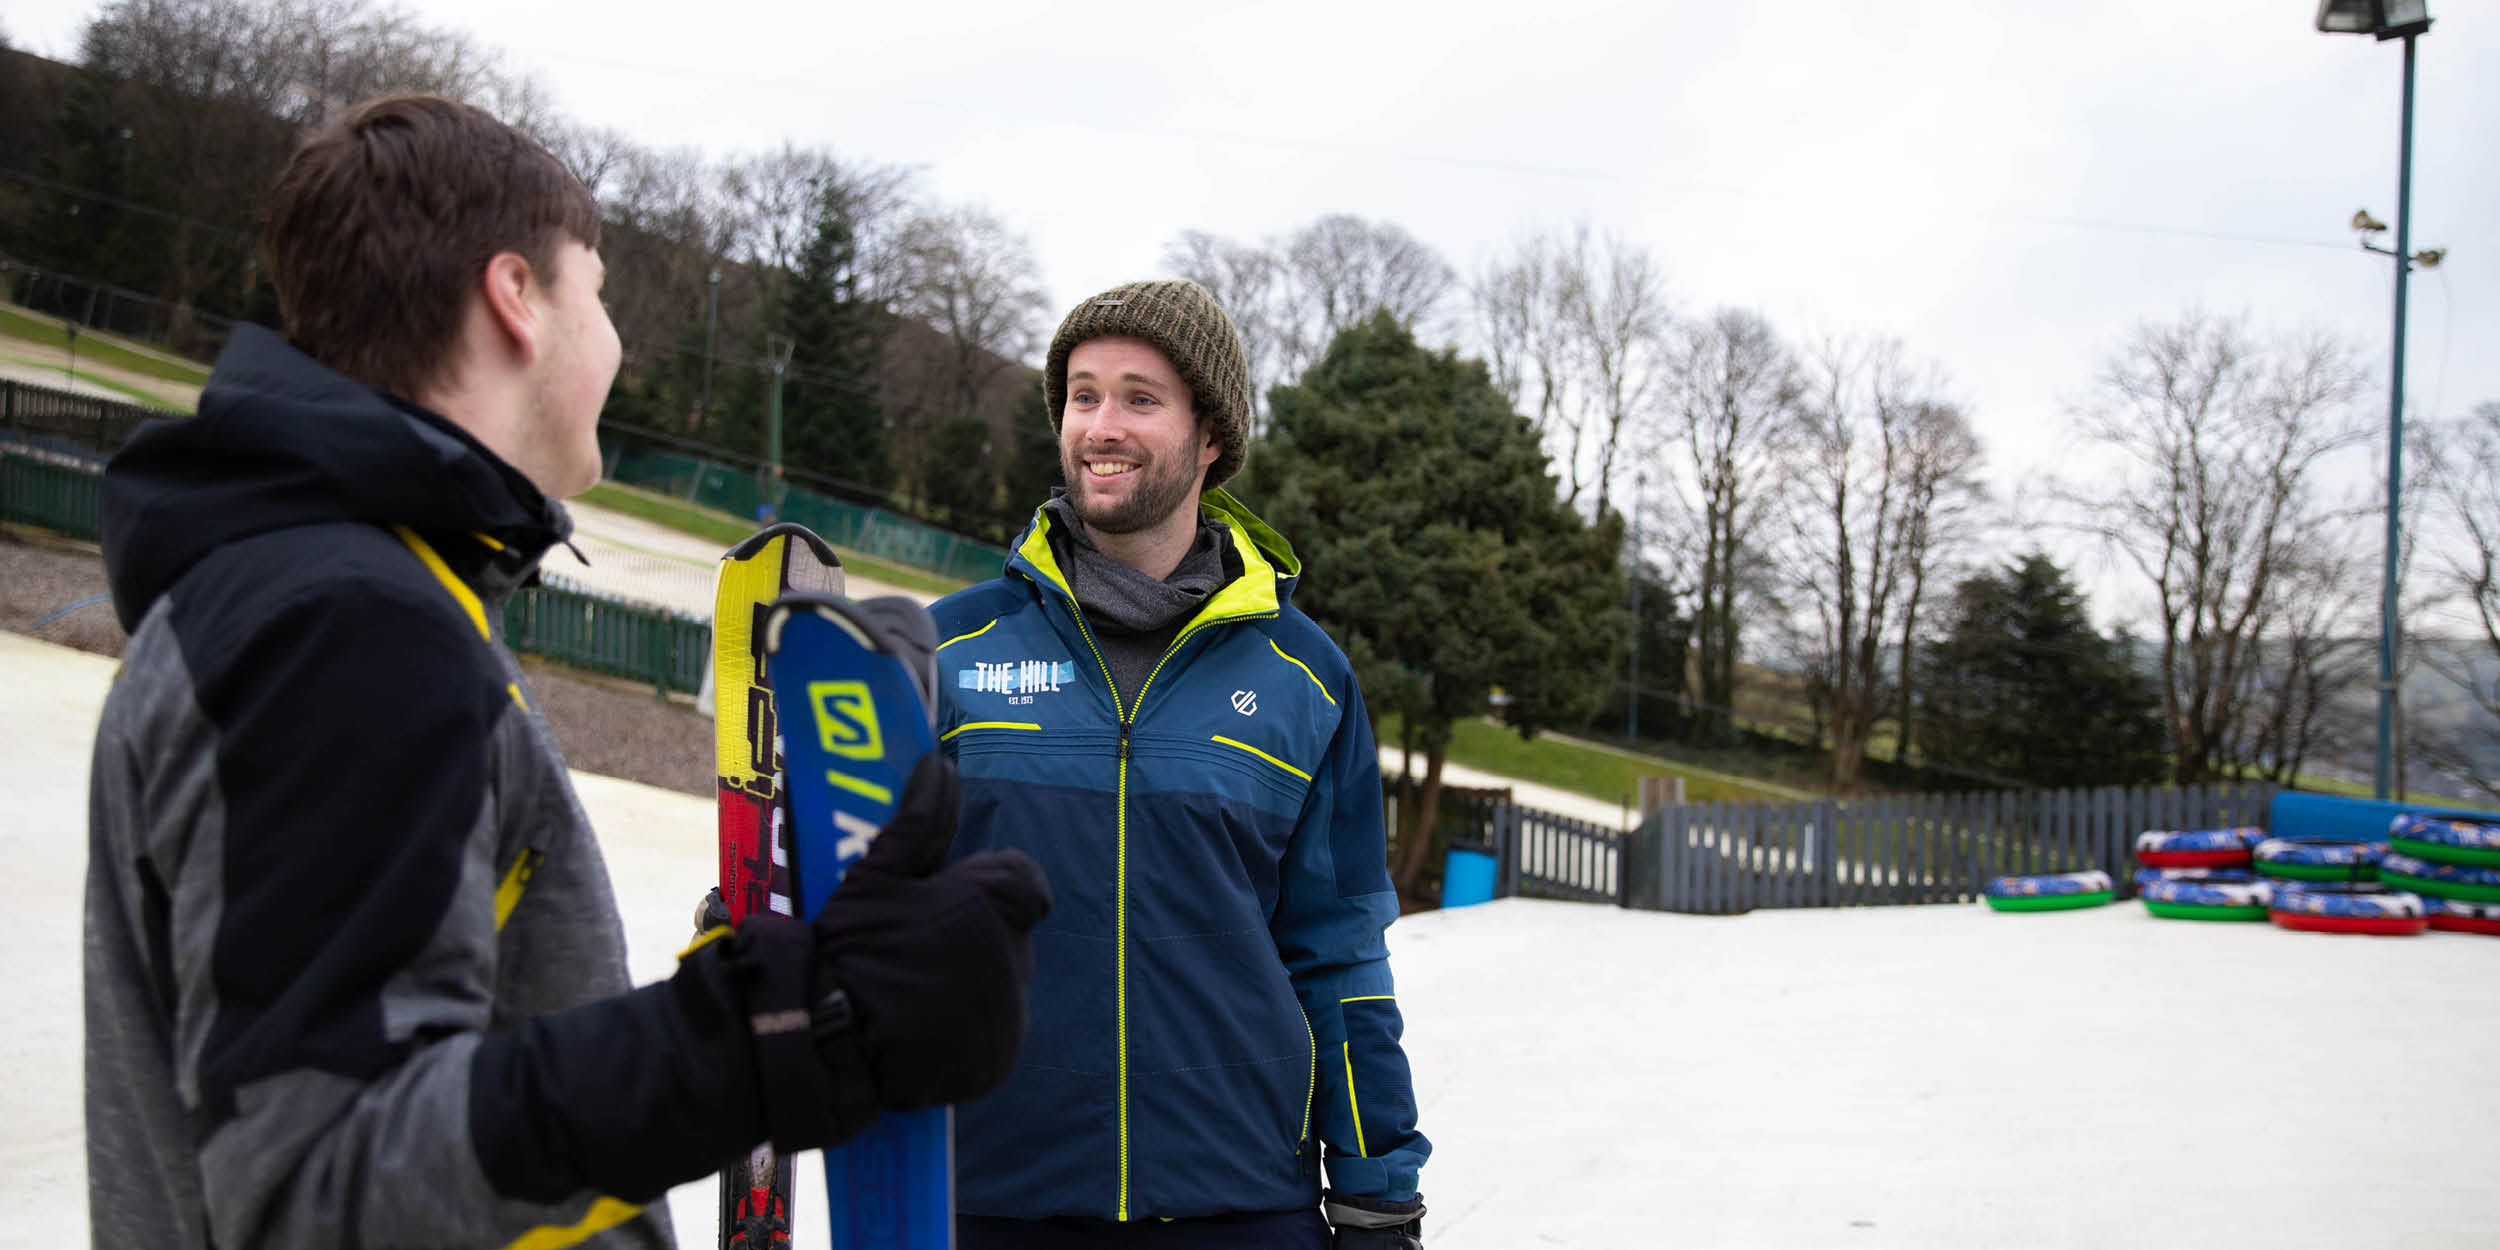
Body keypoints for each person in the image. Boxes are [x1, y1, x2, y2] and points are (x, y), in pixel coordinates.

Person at [83, 93, 1049, 1250]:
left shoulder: (343, 585)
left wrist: (755, 977)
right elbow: (317, 1187)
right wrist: (789, 1031)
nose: (617, 342)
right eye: (598, 293)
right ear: (517, 300)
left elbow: (457, 1050)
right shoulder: (345, 627)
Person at [931, 280, 1430, 1249]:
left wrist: (1376, 1188)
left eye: (1139, 398)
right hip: (989, 1190)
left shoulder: (1304, 675)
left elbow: (1340, 954)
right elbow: (871, 901)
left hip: (1237, 1197)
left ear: (1211, 436)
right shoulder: (946, 649)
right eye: (1082, 394)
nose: (1101, 426)